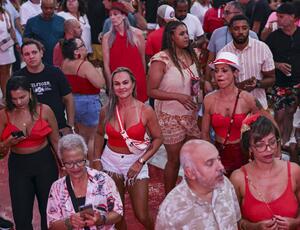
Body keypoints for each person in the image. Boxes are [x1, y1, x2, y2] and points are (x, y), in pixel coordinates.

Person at [93, 67, 163, 229]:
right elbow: (98, 134)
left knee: (142, 214)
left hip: (136, 162)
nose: (121, 87)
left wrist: (141, 161)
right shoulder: (106, 110)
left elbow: (159, 138)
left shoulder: (146, 110)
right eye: (116, 84)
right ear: (112, 87)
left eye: (125, 82)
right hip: (110, 162)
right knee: (117, 214)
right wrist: (96, 158)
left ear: (133, 85)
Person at [148, 20, 202, 194]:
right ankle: (169, 196)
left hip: (191, 114)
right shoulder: (161, 59)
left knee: (190, 158)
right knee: (174, 160)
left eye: (187, 33)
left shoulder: (193, 54)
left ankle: (189, 193)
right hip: (169, 116)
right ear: (171, 37)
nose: (187, 36)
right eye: (181, 34)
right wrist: (177, 96)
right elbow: (151, 91)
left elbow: (196, 79)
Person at [0, 76, 60, 230]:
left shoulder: (44, 110)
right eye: (14, 99)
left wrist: (66, 165)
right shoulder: (4, 115)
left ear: (31, 93)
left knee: (49, 211)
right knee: (21, 214)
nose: (19, 102)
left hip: (45, 163)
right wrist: (7, 143)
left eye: (22, 97)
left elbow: (56, 141)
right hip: (19, 166)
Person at [230, 114, 300, 229]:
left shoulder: (294, 171)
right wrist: (254, 227)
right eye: (260, 145)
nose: (269, 150)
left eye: (272, 142)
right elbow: (233, 220)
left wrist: (295, 222)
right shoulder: (238, 178)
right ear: (249, 148)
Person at [155, 139, 241, 229]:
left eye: (218, 159)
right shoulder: (172, 209)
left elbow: (236, 220)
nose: (221, 167)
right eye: (210, 163)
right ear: (190, 173)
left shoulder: (225, 184)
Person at [47, 134, 123, 230]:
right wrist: (68, 222)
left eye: (79, 161)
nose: (75, 167)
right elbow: (52, 226)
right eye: (69, 163)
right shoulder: (57, 188)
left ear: (85, 157)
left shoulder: (103, 180)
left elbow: (118, 214)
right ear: (62, 162)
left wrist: (101, 219)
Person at [13, 38, 75, 136]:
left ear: (41, 53)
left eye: (34, 52)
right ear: (23, 57)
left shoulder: (55, 72)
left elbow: (68, 99)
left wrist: (70, 126)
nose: (31, 56)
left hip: (59, 126)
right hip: (32, 130)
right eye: (27, 54)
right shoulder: (17, 77)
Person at [61, 38, 105, 163]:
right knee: (93, 137)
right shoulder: (84, 65)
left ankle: (82, 162)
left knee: (81, 135)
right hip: (88, 102)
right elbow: (100, 83)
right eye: (83, 45)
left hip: (72, 102)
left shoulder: (65, 63)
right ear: (76, 52)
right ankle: (92, 164)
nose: (86, 47)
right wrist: (99, 71)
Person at [265, 3, 300, 160]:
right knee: (278, 114)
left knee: (291, 112)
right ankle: (278, 145)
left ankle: (288, 141)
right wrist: (278, 65)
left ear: (292, 17)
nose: (277, 20)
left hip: (297, 83)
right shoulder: (273, 37)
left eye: (281, 16)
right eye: (277, 16)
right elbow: (265, 59)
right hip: (278, 83)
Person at [220, 15, 275, 109]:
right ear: (230, 30)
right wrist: (238, 87)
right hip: (232, 107)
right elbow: (220, 84)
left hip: (258, 105)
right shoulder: (224, 53)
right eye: (236, 28)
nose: (241, 32)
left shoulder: (262, 48)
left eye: (244, 28)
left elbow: (271, 79)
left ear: (249, 29)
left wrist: (257, 84)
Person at [102, 2, 147, 102]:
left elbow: (142, 59)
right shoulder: (107, 38)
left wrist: (143, 80)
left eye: (115, 14)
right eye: (110, 15)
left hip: (137, 80)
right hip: (119, 83)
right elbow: (106, 65)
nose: (112, 18)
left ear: (123, 16)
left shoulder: (137, 34)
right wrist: (110, 86)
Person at [24, 0, 65, 65]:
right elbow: (25, 39)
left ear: (55, 7)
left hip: (58, 60)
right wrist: (36, 43)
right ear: (41, 7)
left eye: (51, 8)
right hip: (39, 61)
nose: (48, 10)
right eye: (46, 8)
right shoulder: (31, 21)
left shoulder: (62, 20)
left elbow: (66, 38)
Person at [0, 2, 16, 98]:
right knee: (2, 72)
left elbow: (11, 30)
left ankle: (7, 95)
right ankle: (5, 96)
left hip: (7, 46)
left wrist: (17, 43)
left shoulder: (6, 13)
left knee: (7, 71)